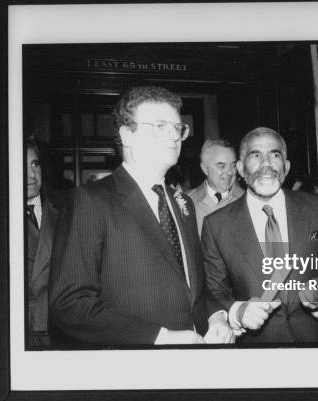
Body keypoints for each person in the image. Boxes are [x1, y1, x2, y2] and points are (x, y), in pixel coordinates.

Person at [49, 86, 233, 346]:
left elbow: (193, 289)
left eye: (177, 128)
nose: (173, 136)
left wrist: (215, 317)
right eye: (160, 126)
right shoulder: (91, 201)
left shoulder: (184, 205)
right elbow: (69, 304)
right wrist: (159, 337)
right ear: (127, 135)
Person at [201, 127, 318, 344]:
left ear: (286, 167)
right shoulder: (216, 225)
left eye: (275, 155)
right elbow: (214, 292)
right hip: (257, 355)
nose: (266, 164)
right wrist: (238, 311)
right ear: (240, 168)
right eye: (255, 155)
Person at [25, 140, 61, 347]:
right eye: (23, 165)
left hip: (59, 328)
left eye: (35, 164)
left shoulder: (67, 207)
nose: (31, 175)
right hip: (19, 328)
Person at [187, 139, 244, 234]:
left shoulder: (247, 201)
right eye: (222, 166)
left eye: (233, 166)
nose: (230, 172)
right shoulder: (187, 202)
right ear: (205, 169)